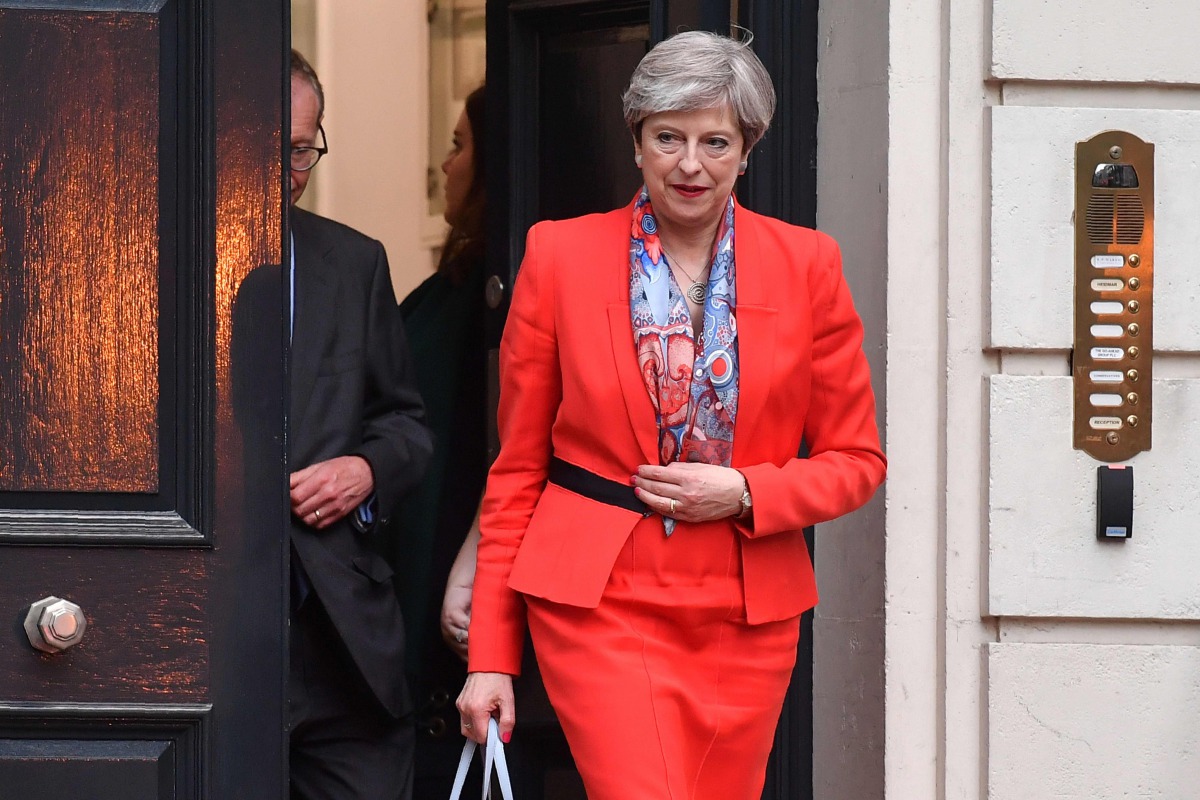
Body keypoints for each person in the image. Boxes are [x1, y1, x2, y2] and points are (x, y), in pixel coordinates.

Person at [456, 30, 886, 799]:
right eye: (669, 138)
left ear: (747, 149)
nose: (691, 164)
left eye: (715, 141)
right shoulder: (558, 257)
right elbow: (518, 467)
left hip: (746, 613)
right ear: (637, 142)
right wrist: (492, 654)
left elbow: (856, 462)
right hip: (601, 605)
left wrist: (750, 492)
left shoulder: (809, 265)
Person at [286, 49, 433, 800]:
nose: (289, 169)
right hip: (198, 629)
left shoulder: (353, 263)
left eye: (303, 150)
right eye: (271, 146)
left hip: (340, 644)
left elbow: (405, 423)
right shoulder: (138, 260)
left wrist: (367, 470)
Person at [381, 85, 489, 794]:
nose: (446, 165)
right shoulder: (447, 293)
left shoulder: (488, 306)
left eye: (458, 146)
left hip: (457, 611)